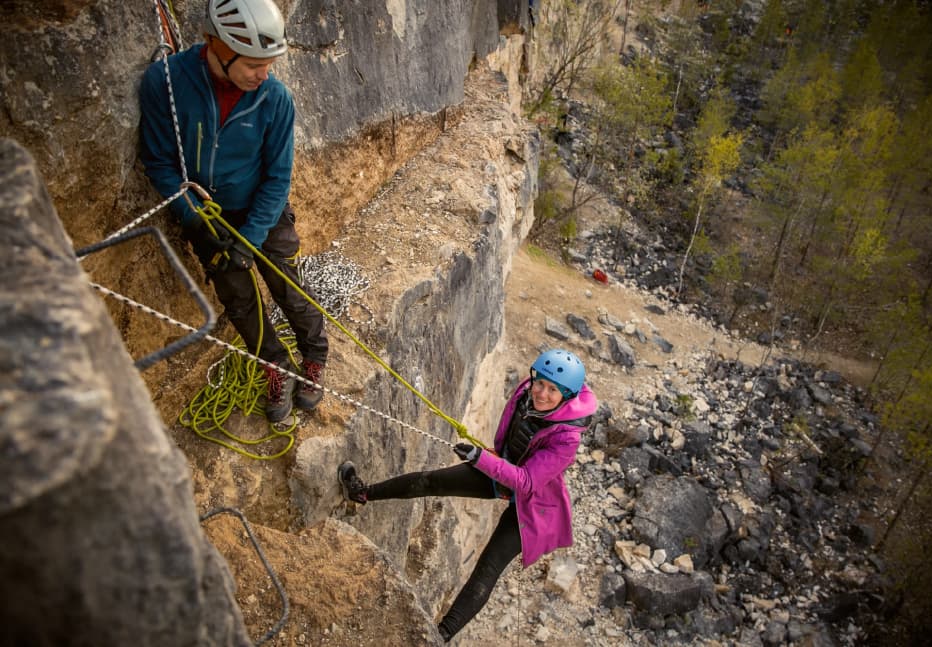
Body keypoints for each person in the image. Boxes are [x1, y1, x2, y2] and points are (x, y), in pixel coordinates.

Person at [139, 0, 328, 422]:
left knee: (288, 287)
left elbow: (277, 179)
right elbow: (160, 163)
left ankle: (315, 355)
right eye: (254, 65)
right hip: (208, 218)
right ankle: (276, 365)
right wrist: (194, 217)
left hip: (264, 212)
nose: (264, 75)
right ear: (218, 47)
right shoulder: (166, 83)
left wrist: (252, 238)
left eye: (269, 64)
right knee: (239, 301)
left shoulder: (275, 99)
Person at [338, 349, 598, 642]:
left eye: (552, 390)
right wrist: (492, 457)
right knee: (432, 481)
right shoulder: (526, 391)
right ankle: (361, 494)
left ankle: (438, 637)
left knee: (487, 569)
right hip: (503, 470)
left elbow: (527, 483)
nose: (541, 393)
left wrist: (482, 460)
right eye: (540, 383)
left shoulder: (567, 438)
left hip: (535, 504)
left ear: (567, 396)